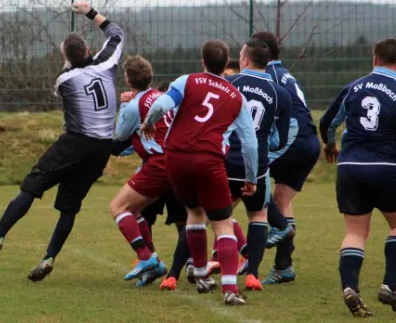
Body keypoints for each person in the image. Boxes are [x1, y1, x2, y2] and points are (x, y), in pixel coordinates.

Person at [0, 0, 125, 282]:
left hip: (75, 142)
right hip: (102, 148)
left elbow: (70, 77)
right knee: (69, 206)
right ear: (88, 50)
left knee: (33, 184)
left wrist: (69, 62)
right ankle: (49, 256)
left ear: (65, 57)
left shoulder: (64, 78)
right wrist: (90, 12)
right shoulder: (107, 62)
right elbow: (116, 34)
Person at [320, 38, 396, 317]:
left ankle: (350, 287)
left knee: (355, 232)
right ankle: (390, 286)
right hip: (385, 168)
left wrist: (330, 143)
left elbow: (326, 122)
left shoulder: (353, 87)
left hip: (349, 167)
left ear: (374, 59)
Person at [141, 39, 258, 306]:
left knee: (194, 212)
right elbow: (250, 143)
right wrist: (251, 177)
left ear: (202, 60)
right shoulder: (235, 96)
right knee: (223, 222)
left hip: (176, 158)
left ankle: (202, 272)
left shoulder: (187, 81)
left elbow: (161, 106)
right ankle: (229, 287)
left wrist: (149, 123)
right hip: (208, 160)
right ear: (226, 63)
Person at [251, 31, 320, 284]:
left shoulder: (266, 76)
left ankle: (230, 251)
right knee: (280, 199)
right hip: (309, 142)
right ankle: (283, 267)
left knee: (248, 180)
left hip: (293, 139)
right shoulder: (283, 73)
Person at [224, 38, 292, 291]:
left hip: (226, 161)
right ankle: (252, 274)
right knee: (258, 215)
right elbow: (280, 140)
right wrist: (262, 138)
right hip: (258, 166)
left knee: (212, 216)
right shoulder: (280, 93)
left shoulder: (229, 83)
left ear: (245, 60)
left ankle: (198, 266)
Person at [108, 55, 172, 286]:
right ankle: (154, 261)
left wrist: (124, 103)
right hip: (173, 162)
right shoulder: (160, 96)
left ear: (127, 79)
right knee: (134, 211)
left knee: (117, 207)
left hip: (158, 164)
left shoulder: (136, 104)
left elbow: (122, 134)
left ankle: (145, 258)